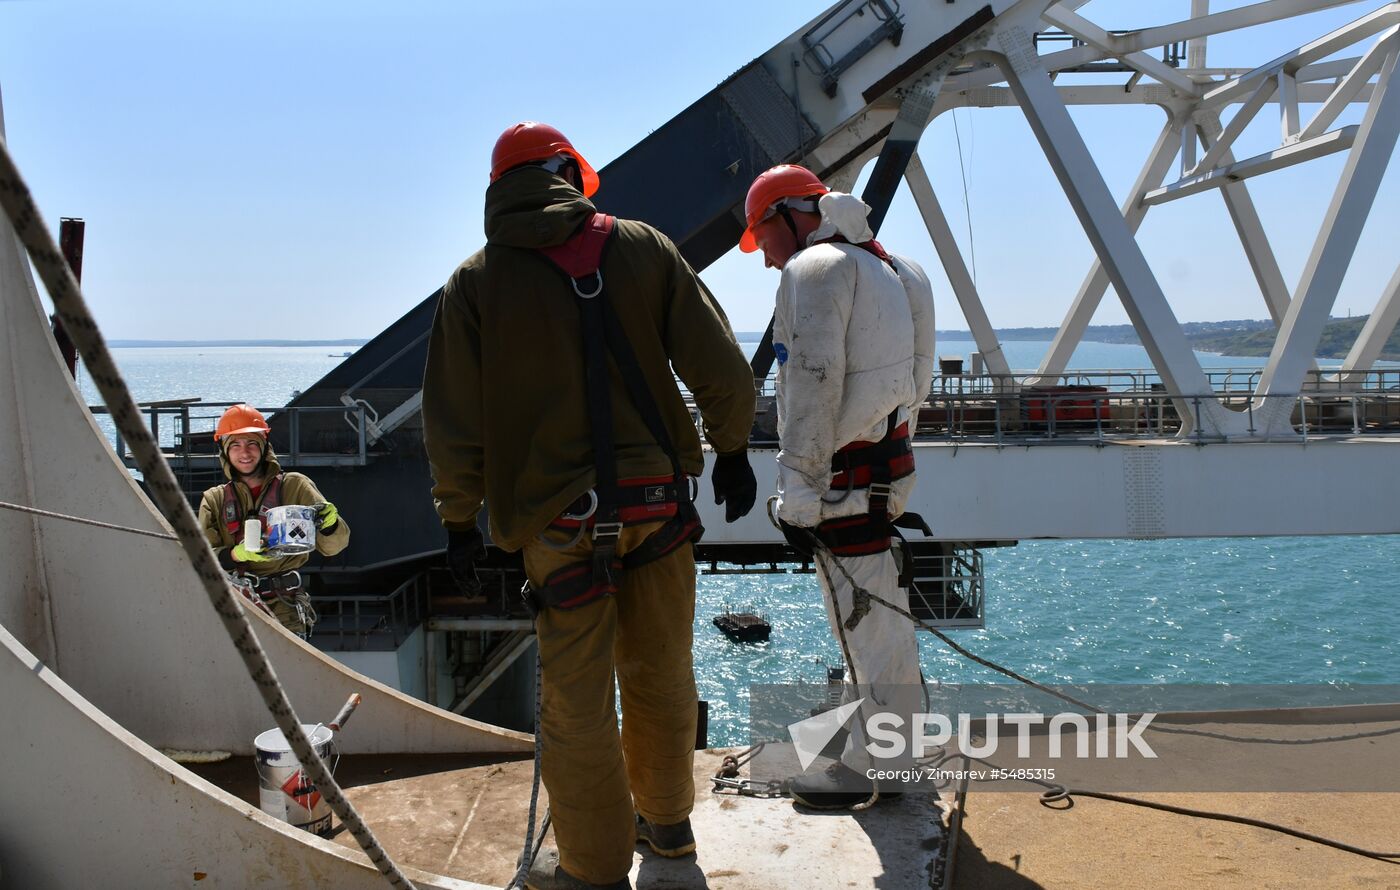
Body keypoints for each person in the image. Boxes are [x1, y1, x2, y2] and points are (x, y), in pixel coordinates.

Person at [422, 122, 757, 890]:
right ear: (570, 171)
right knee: (663, 675)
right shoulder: (643, 246)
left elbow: (454, 422)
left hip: (559, 524)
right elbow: (721, 368)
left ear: (500, 189)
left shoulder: (475, 281)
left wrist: (456, 519)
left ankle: (594, 867)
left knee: (577, 705)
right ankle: (669, 836)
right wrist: (731, 449)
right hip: (659, 512)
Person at [739, 164, 936, 810]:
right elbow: (919, 380)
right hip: (884, 474)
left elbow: (812, 389)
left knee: (865, 628)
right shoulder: (902, 270)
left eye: (762, 239)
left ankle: (874, 769)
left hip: (842, 484)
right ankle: (892, 755)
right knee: (881, 623)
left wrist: (795, 500)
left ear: (789, 217)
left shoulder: (814, 271)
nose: (766, 260)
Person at [197, 404, 348, 637]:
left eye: (251, 444)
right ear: (224, 451)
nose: (244, 453)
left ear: (264, 446)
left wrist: (330, 524)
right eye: (235, 445)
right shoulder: (214, 500)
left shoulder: (295, 486)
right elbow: (203, 560)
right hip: (234, 607)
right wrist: (237, 554)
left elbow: (334, 547)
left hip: (285, 607)